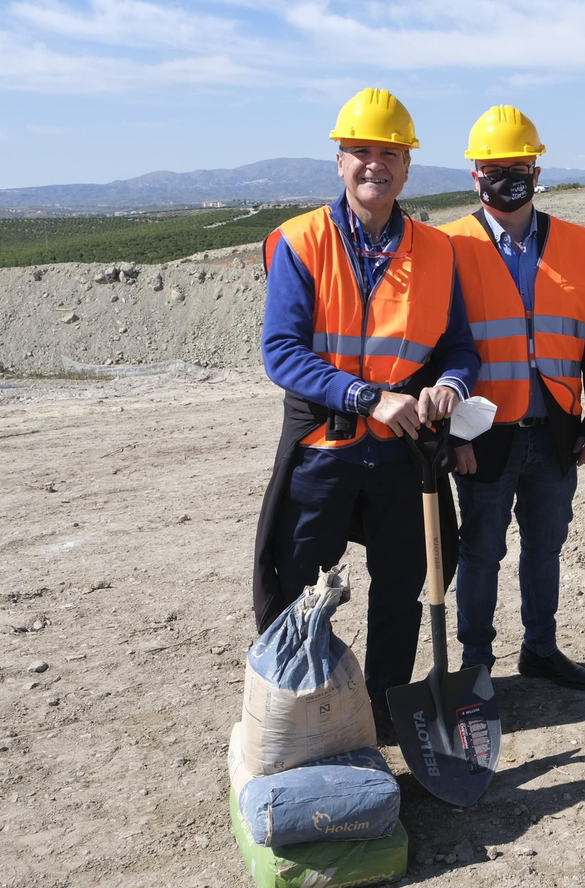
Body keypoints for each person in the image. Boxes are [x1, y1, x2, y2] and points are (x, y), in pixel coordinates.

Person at [252, 88, 481, 736]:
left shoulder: (439, 253)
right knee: (298, 584)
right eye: (360, 152)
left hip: (402, 454)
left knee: (403, 581)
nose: (374, 164)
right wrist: (366, 395)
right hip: (324, 447)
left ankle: (384, 707)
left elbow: (459, 347)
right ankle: (300, 705)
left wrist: (452, 388)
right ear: (339, 160)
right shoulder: (300, 243)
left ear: (407, 166)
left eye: (389, 153)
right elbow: (283, 353)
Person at [438, 105, 585, 691]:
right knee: (481, 552)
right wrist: (449, 436)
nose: (506, 177)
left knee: (545, 548)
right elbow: (436, 349)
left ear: (537, 171)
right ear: (474, 176)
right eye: (494, 168)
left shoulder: (576, 242)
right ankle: (477, 665)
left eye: (518, 166)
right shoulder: (449, 246)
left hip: (556, 428)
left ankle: (540, 647)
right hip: (483, 435)